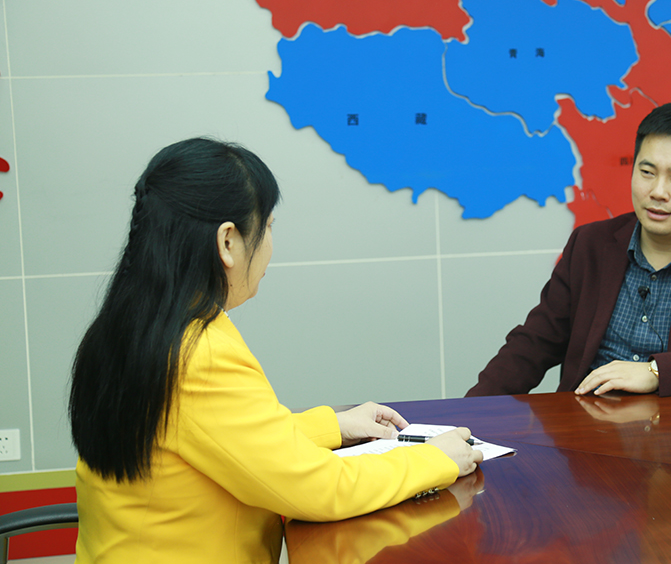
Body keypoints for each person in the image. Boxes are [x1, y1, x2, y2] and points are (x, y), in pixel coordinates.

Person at [68, 137, 482, 564]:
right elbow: (320, 490)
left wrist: (333, 426)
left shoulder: (134, 327)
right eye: (266, 227)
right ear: (228, 242)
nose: (269, 245)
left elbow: (222, 437)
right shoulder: (198, 354)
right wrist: (434, 460)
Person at [467, 102, 671, 397]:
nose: (657, 192)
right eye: (647, 172)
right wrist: (465, 421)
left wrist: (657, 372)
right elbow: (532, 345)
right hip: (584, 430)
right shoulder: (590, 245)